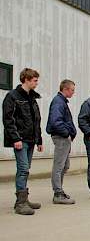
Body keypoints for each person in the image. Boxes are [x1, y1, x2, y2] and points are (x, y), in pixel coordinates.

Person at [2, 68, 43, 215]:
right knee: (23, 169)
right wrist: (16, 138)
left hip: (31, 140)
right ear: (26, 79)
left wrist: (39, 140)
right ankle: (20, 203)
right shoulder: (12, 96)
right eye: (35, 80)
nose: (37, 83)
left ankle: (24, 199)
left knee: (25, 169)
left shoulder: (32, 98)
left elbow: (36, 120)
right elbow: (8, 119)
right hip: (20, 140)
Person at [46, 79, 77, 205]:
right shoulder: (58, 102)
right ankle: (58, 193)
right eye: (72, 90)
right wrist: (66, 133)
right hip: (61, 137)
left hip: (64, 138)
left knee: (65, 165)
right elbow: (56, 121)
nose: (73, 93)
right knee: (59, 165)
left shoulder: (61, 102)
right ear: (65, 89)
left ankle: (59, 191)